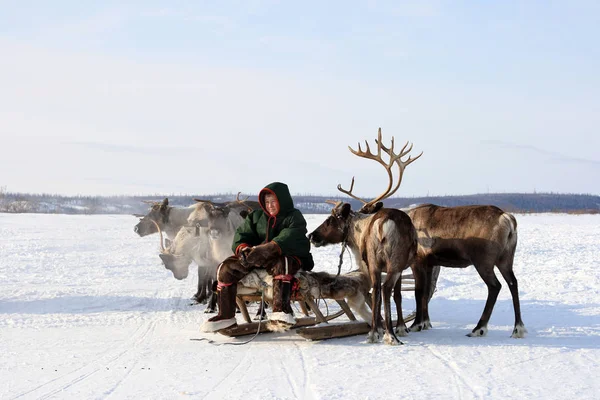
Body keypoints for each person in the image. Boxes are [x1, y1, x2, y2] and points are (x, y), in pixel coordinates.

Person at [200, 182, 314, 332]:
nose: (270, 205)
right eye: (267, 202)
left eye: (274, 201)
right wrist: (244, 250)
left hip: (288, 256)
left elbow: (291, 236)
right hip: (258, 257)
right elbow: (241, 235)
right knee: (226, 267)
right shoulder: (256, 216)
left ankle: (281, 311)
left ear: (282, 200)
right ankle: (226, 316)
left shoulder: (294, 216)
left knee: (283, 263)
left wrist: (269, 248)